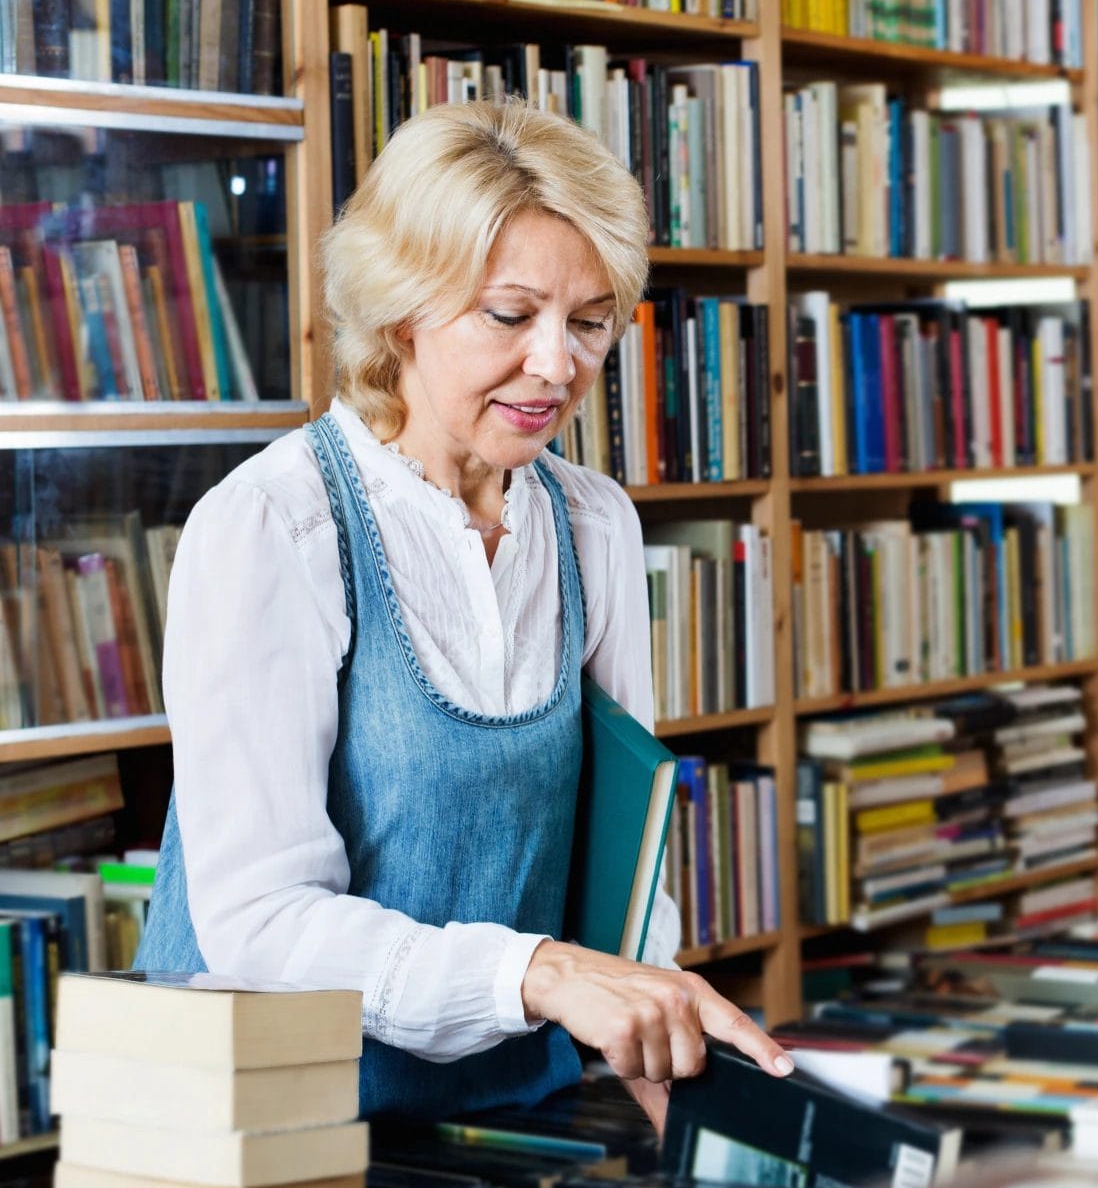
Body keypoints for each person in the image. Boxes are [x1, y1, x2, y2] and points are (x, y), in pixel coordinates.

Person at [136, 99, 791, 1128]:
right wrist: (535, 970)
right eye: (509, 314)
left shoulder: (592, 524)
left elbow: (624, 875)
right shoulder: (275, 526)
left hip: (506, 1118)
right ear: (401, 309)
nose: (556, 365)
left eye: (588, 322)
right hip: (268, 1133)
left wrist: (656, 1033)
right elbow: (257, 921)